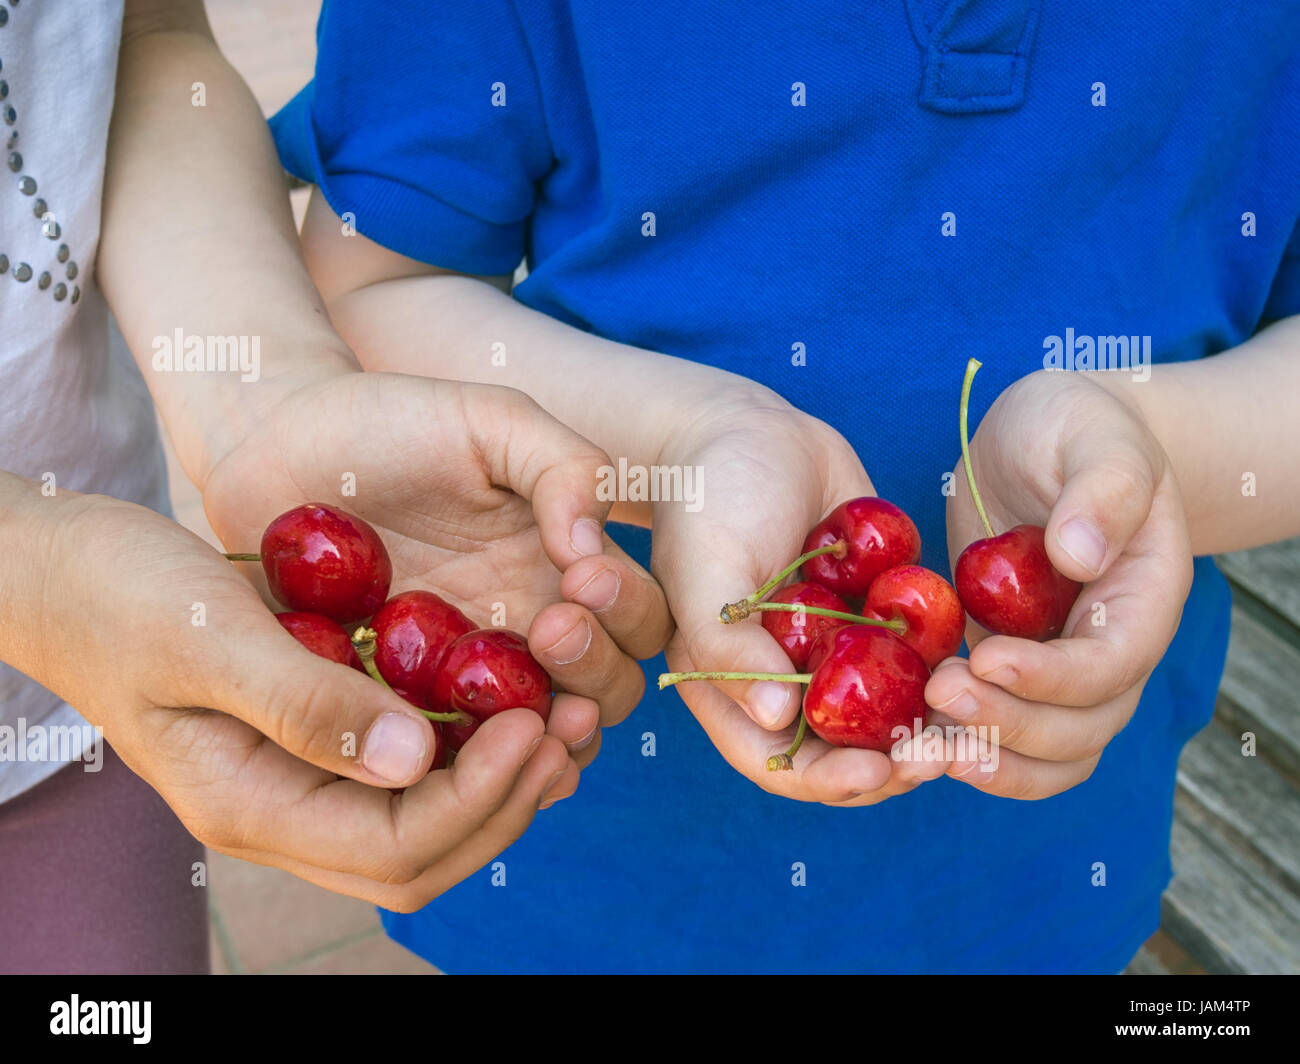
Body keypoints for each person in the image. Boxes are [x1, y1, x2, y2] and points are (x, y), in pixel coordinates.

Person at [270, 1, 1300, 972]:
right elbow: (372, 291)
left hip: (1041, 877)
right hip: (585, 844)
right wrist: (682, 442)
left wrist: (1145, 455)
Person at [0, 0, 669, 974]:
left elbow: (145, 50)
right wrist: (38, 582)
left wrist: (265, 400)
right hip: (82, 617)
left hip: (85, 695)